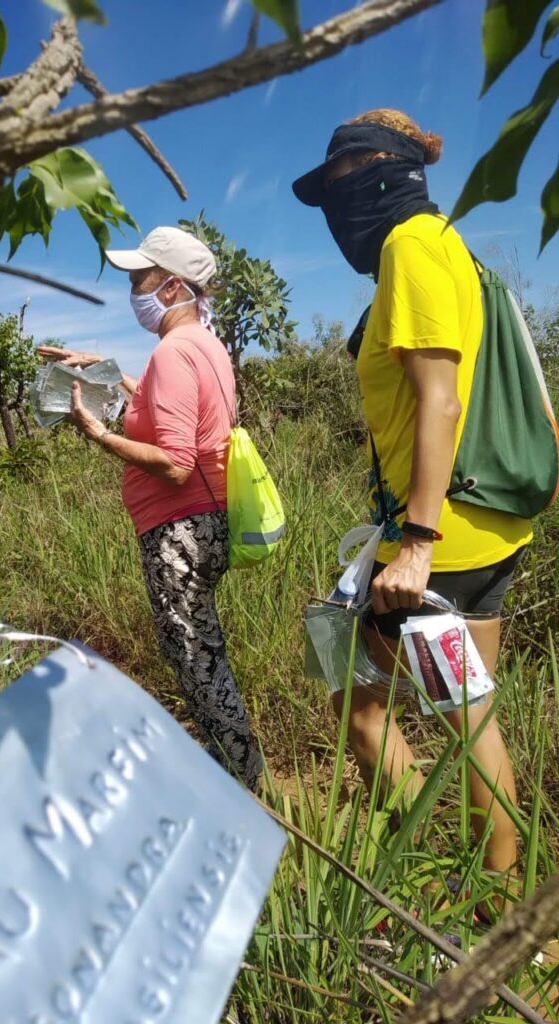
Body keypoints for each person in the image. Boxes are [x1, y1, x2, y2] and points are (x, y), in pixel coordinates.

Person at [292, 110, 531, 892]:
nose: (336, 204)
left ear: (383, 171)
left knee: (365, 716)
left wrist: (418, 541)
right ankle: (498, 913)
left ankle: (429, 884)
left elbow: (442, 401)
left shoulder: (412, 247)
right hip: (489, 528)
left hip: (440, 543)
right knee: (472, 729)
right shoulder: (460, 256)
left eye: (341, 181)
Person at [39, 226, 262, 790]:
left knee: (195, 655)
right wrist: (106, 370)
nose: (133, 289)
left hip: (179, 531)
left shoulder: (173, 351)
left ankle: (241, 776)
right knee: (197, 648)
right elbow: (172, 400)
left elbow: (176, 462)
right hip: (204, 523)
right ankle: (231, 758)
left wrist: (98, 434)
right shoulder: (203, 346)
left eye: (139, 278)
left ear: (170, 288)